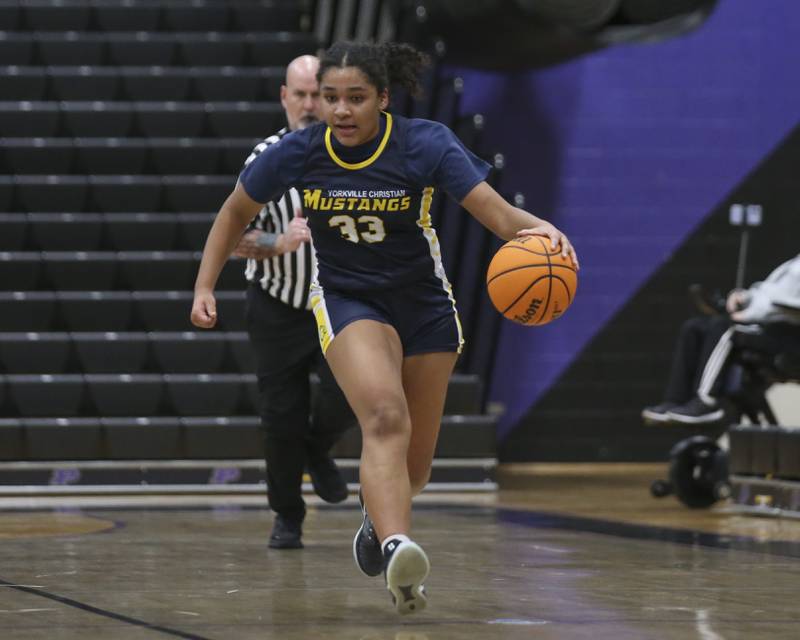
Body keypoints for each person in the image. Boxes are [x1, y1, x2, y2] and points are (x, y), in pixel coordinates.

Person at [191, 40, 577, 614]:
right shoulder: (297, 151)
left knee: (415, 466)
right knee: (384, 417)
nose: (341, 110)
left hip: (423, 306)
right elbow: (233, 213)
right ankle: (400, 548)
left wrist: (543, 233)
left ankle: (380, 526)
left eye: (356, 98)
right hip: (348, 299)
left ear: (383, 99)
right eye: (330, 98)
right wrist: (204, 285)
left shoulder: (423, 144)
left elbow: (497, 216)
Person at [228, 54, 356, 550]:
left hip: (339, 300)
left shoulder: (353, 156)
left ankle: (317, 448)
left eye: (315, 95)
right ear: (284, 98)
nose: (307, 105)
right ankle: (287, 518)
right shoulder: (266, 156)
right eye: (298, 95)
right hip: (277, 303)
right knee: (279, 417)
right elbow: (236, 236)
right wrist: (277, 242)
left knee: (347, 397)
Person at [642, 253, 800, 425]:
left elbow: (787, 305)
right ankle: (674, 400)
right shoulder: (793, 263)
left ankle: (707, 402)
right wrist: (745, 297)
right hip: (766, 326)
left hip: (789, 338)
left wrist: (748, 314)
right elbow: (769, 293)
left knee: (725, 329)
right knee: (694, 327)